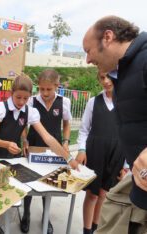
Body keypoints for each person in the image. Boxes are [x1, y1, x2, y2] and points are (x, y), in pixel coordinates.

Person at [0, 74, 79, 234]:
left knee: (5, 189)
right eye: (18, 97)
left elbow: (48, 137)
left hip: (10, 156)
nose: (21, 102)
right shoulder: (0, 107)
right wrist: (6, 144)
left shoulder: (31, 111)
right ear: (11, 93)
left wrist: (68, 158)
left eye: (25, 98)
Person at [83, 15, 147, 231]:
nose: (87, 60)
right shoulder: (123, 72)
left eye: (88, 50)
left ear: (107, 37)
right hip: (138, 184)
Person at [20, 69, 72, 234]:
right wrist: (25, 140)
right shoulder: (31, 101)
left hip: (54, 147)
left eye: (48, 89)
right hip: (34, 143)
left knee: (49, 181)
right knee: (29, 179)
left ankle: (46, 215)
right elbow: (23, 124)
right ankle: (26, 214)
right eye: (41, 89)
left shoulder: (64, 102)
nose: (44, 93)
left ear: (57, 86)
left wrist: (65, 142)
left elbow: (67, 123)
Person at [76, 72, 124, 234]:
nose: (106, 81)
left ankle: (96, 228)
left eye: (109, 77)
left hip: (117, 154)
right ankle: (87, 230)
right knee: (92, 195)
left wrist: (126, 165)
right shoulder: (93, 102)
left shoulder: (125, 103)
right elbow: (83, 130)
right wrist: (81, 149)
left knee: (104, 194)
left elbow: (130, 133)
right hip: (95, 152)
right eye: (102, 78)